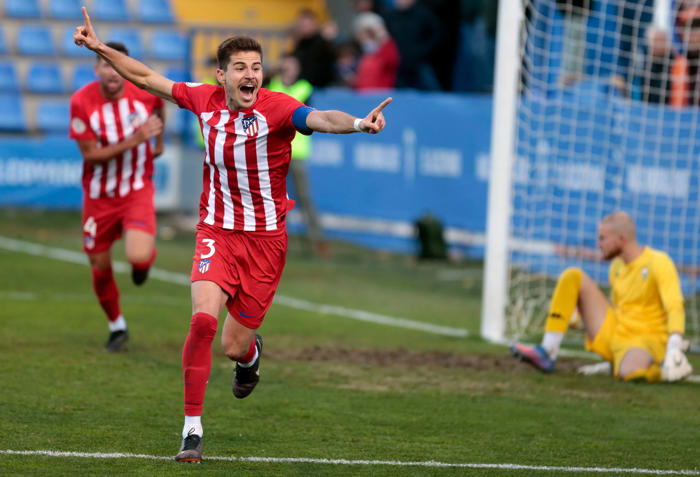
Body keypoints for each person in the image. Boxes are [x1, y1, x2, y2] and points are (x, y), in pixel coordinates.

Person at [73, 6, 391, 462]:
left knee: (232, 345)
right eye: (240, 67)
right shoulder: (203, 100)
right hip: (216, 232)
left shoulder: (278, 108)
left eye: (257, 68)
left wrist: (360, 123)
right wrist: (101, 47)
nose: (251, 75)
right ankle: (191, 432)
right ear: (222, 75)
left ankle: (250, 357)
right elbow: (146, 77)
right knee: (202, 321)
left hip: (265, 243)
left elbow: (320, 119)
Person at [511, 212, 693, 383]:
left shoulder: (659, 262)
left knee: (631, 373)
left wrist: (675, 344)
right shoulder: (615, 267)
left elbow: (675, 304)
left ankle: (665, 369)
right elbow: (621, 310)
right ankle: (548, 351)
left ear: (621, 239)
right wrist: (583, 319)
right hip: (617, 334)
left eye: (603, 238)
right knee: (572, 275)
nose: (598, 244)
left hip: (647, 341)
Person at [69, 40, 164, 352]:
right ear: (97, 68)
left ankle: (142, 265)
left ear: (126, 68)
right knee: (99, 264)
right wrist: (136, 138)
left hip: (137, 188)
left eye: (117, 65)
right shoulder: (82, 102)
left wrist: (158, 141)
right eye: (106, 64)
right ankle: (117, 327)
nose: (112, 72)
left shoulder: (143, 92)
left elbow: (160, 106)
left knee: (137, 256)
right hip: (99, 196)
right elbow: (92, 156)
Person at [267, 53, 327, 256]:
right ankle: (275, 240)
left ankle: (317, 240)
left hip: (297, 152)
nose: (288, 68)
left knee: (304, 198)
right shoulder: (272, 84)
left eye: (292, 65)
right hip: (274, 151)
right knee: (273, 198)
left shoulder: (304, 88)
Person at [352, 12, 400, 90]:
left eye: (366, 34)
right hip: (362, 99)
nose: (361, 38)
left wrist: (380, 34)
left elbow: (392, 59)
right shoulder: (361, 54)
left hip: (380, 97)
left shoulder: (384, 52)